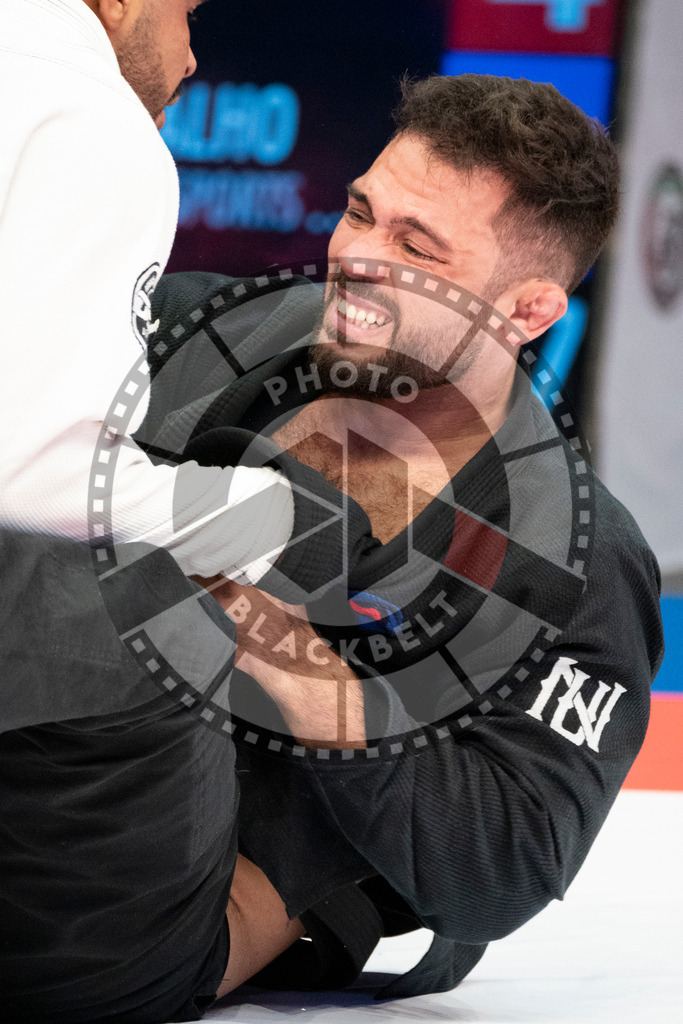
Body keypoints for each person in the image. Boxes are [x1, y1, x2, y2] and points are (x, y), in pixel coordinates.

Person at [145, 74, 664, 1000]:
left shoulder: (574, 562)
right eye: (360, 211)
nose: (356, 256)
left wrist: (303, 673)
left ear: (528, 310)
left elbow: (499, 869)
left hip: (199, 899)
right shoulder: (191, 339)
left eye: (417, 248)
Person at [0, 1, 383, 1021]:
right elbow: (33, 475)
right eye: (183, 10)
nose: (191, 54)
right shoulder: (90, 119)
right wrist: (269, 520)